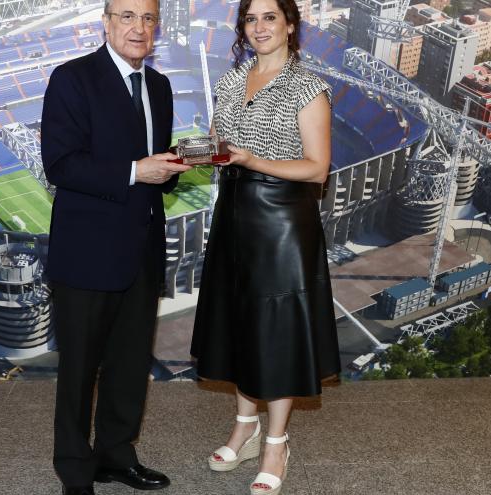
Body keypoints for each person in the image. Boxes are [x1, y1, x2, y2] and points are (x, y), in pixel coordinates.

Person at [40, 0, 192, 493]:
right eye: (127, 16)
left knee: (129, 364)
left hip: (142, 247)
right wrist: (135, 171)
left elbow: (154, 171)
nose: (139, 27)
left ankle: (116, 454)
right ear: (106, 22)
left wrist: (173, 168)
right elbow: (60, 165)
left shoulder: (161, 87)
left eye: (148, 18)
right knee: (81, 366)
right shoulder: (72, 78)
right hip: (86, 251)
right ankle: (74, 467)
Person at [190, 0, 341, 494]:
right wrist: (202, 151)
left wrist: (253, 159)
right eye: (250, 19)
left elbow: (316, 168)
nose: (259, 27)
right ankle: (245, 426)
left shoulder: (307, 87)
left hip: (281, 222)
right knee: (238, 322)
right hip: (233, 213)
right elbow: (222, 142)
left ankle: (276, 441)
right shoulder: (233, 80)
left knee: (275, 331)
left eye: (269, 17)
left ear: (290, 25)